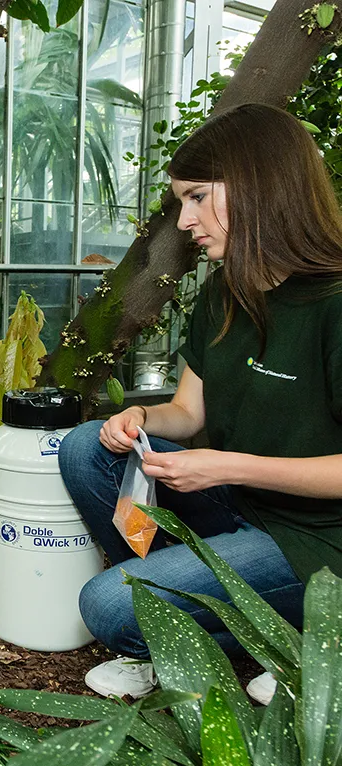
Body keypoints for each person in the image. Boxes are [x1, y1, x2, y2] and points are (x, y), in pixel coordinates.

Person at [58, 103, 342, 704]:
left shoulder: (333, 304)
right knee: (86, 446)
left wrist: (223, 465)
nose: (185, 220)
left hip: (318, 542)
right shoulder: (226, 292)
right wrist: (139, 419)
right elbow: (187, 415)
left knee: (107, 605)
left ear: (260, 186)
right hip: (242, 507)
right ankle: (212, 631)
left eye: (196, 197)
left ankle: (299, 638)